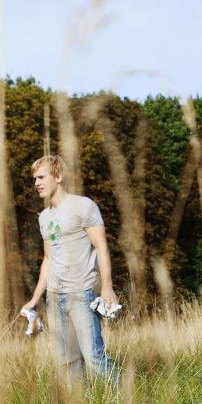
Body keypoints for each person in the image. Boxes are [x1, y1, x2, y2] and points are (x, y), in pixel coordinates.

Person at [22, 155, 120, 385]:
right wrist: (35, 299)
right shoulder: (44, 217)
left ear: (58, 176)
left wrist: (107, 287)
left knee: (94, 358)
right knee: (68, 363)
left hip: (81, 293)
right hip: (54, 299)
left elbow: (101, 246)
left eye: (41, 177)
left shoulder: (83, 206)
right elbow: (48, 259)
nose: (36, 182)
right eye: (34, 178)